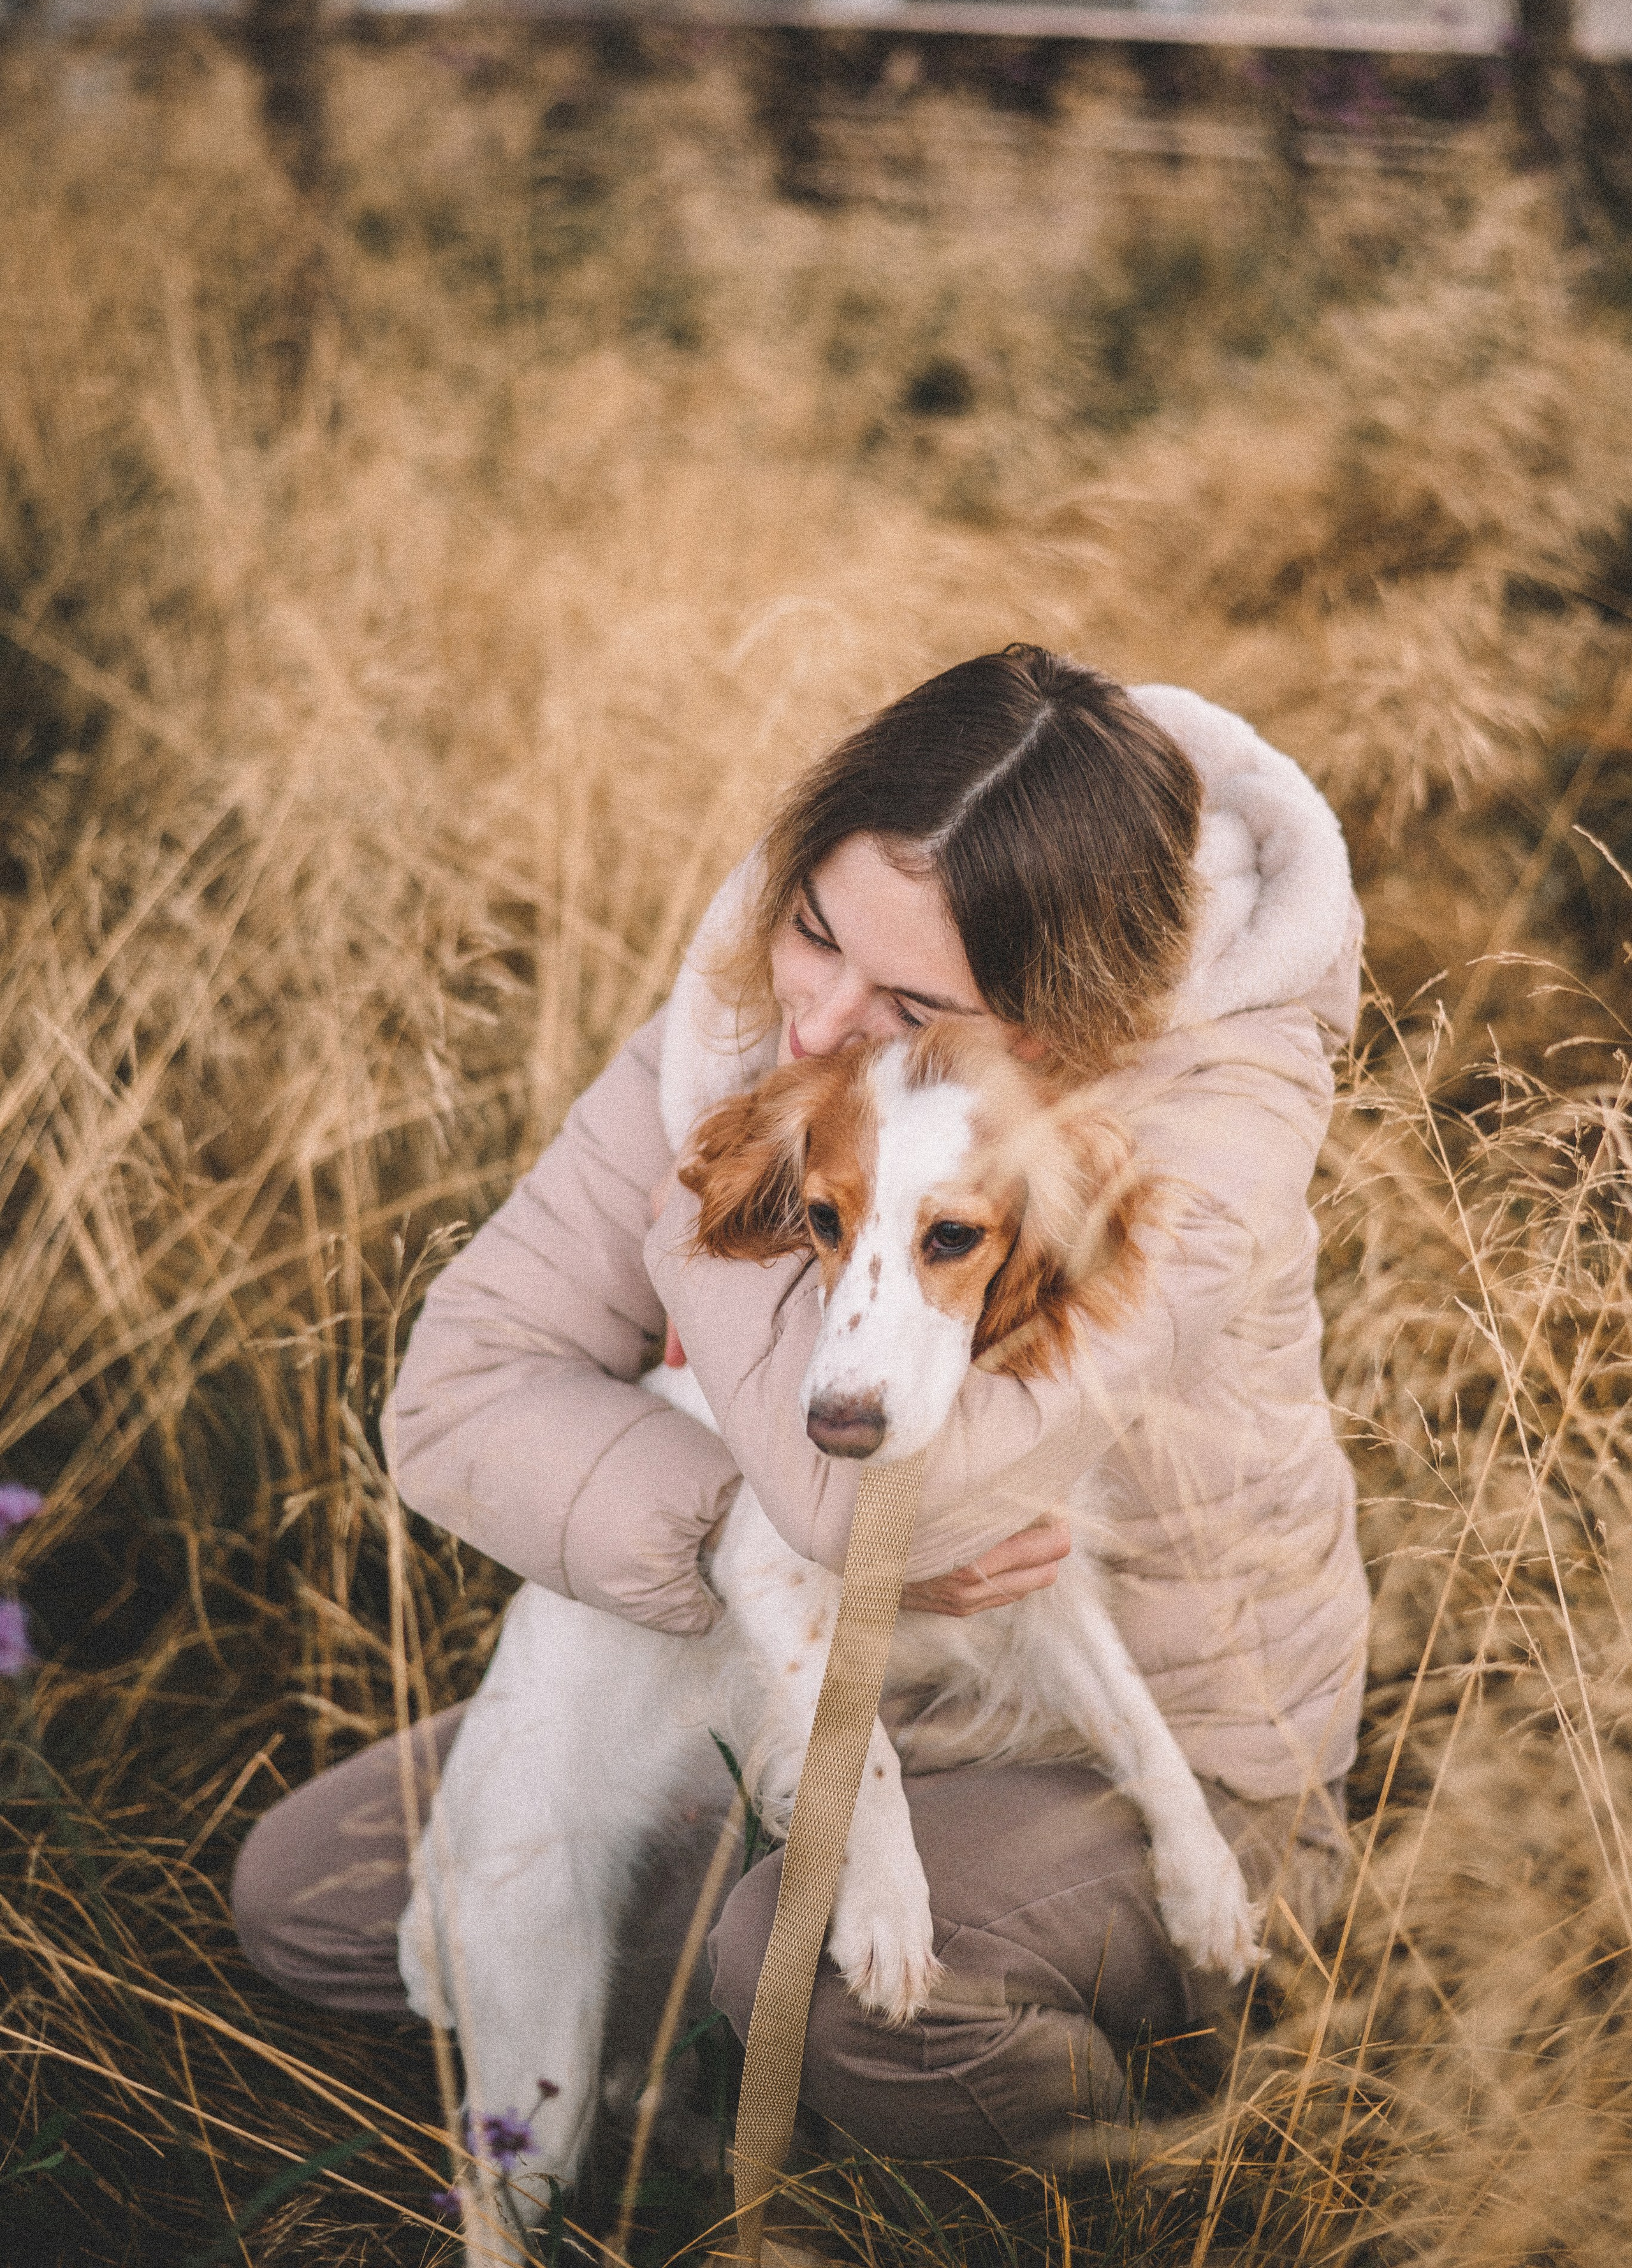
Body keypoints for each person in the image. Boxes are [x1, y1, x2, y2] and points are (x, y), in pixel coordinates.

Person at [232, 646, 1370, 2169]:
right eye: (810, 929)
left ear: (1043, 1019)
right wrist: (717, 1532)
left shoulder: (1200, 1125)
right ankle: (721, 2053)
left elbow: (875, 1500)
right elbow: (456, 1388)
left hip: (1124, 1740)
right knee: (312, 1897)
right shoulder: (754, 1028)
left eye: (906, 995)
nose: (818, 1021)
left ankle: (1156, 2162)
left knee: (815, 1975)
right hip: (799, 1669)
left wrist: (684, 1220)